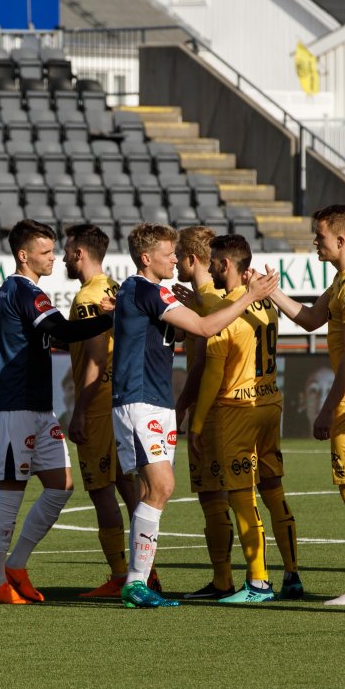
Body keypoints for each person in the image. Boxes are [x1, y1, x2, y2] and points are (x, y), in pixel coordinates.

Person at [109, 222, 277, 609]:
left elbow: (185, 332)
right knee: (161, 487)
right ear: (146, 258)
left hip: (156, 400)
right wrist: (247, 297)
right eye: (169, 254)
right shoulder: (142, 288)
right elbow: (204, 327)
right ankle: (136, 581)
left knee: (155, 489)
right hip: (139, 400)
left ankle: (138, 581)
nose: (175, 258)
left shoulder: (155, 292)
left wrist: (195, 302)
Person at [0, 219, 117, 605]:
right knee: (10, 494)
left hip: (35, 407)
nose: (52, 258)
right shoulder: (23, 290)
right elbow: (62, 331)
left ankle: (16, 565)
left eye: (53, 251)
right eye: (45, 252)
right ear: (23, 255)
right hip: (13, 407)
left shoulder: (6, 293)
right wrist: (116, 316)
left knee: (61, 486)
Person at [261, 204, 345, 607]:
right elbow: (310, 319)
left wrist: (327, 409)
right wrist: (272, 291)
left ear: (340, 239)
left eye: (319, 236)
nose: (315, 242)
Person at [190, 234, 292, 603]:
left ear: (227, 265)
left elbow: (214, 375)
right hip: (269, 401)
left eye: (214, 262)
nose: (210, 267)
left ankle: (259, 582)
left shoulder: (228, 312)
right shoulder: (266, 306)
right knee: (272, 487)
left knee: (241, 497)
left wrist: (197, 423)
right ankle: (291, 573)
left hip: (237, 409)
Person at [61, 223, 142, 598]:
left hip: (97, 406)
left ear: (80, 253)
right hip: (122, 398)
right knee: (129, 485)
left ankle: (119, 575)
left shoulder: (87, 298)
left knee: (101, 491)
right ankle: (145, 572)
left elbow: (94, 359)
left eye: (66, 250)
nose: (63, 256)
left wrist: (78, 411)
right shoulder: (116, 288)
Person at [171, 225, 235, 600]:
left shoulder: (210, 301)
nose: (175, 261)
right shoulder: (208, 298)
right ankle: (257, 577)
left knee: (215, 496)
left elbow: (201, 367)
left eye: (179, 255)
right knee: (233, 494)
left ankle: (225, 580)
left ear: (192, 260)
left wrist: (182, 410)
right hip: (232, 406)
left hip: (213, 411)